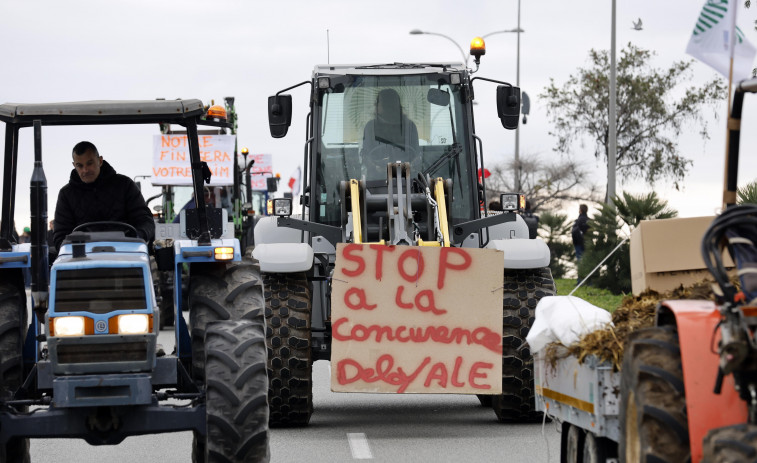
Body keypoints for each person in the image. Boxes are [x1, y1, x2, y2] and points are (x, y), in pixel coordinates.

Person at [53, 141, 155, 249]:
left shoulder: (125, 185)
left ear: (100, 161)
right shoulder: (66, 194)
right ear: (74, 165)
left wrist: (135, 238)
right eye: (80, 165)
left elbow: (145, 221)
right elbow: (60, 235)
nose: (85, 170)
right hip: (82, 258)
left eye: (89, 163)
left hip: (125, 251)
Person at [360, 89, 420, 177]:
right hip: (376, 182)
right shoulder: (370, 127)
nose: (375, 105)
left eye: (378, 102)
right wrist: (375, 167)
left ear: (387, 105)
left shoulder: (410, 127)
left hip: (407, 181)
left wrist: (409, 166)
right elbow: (366, 156)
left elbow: (417, 157)